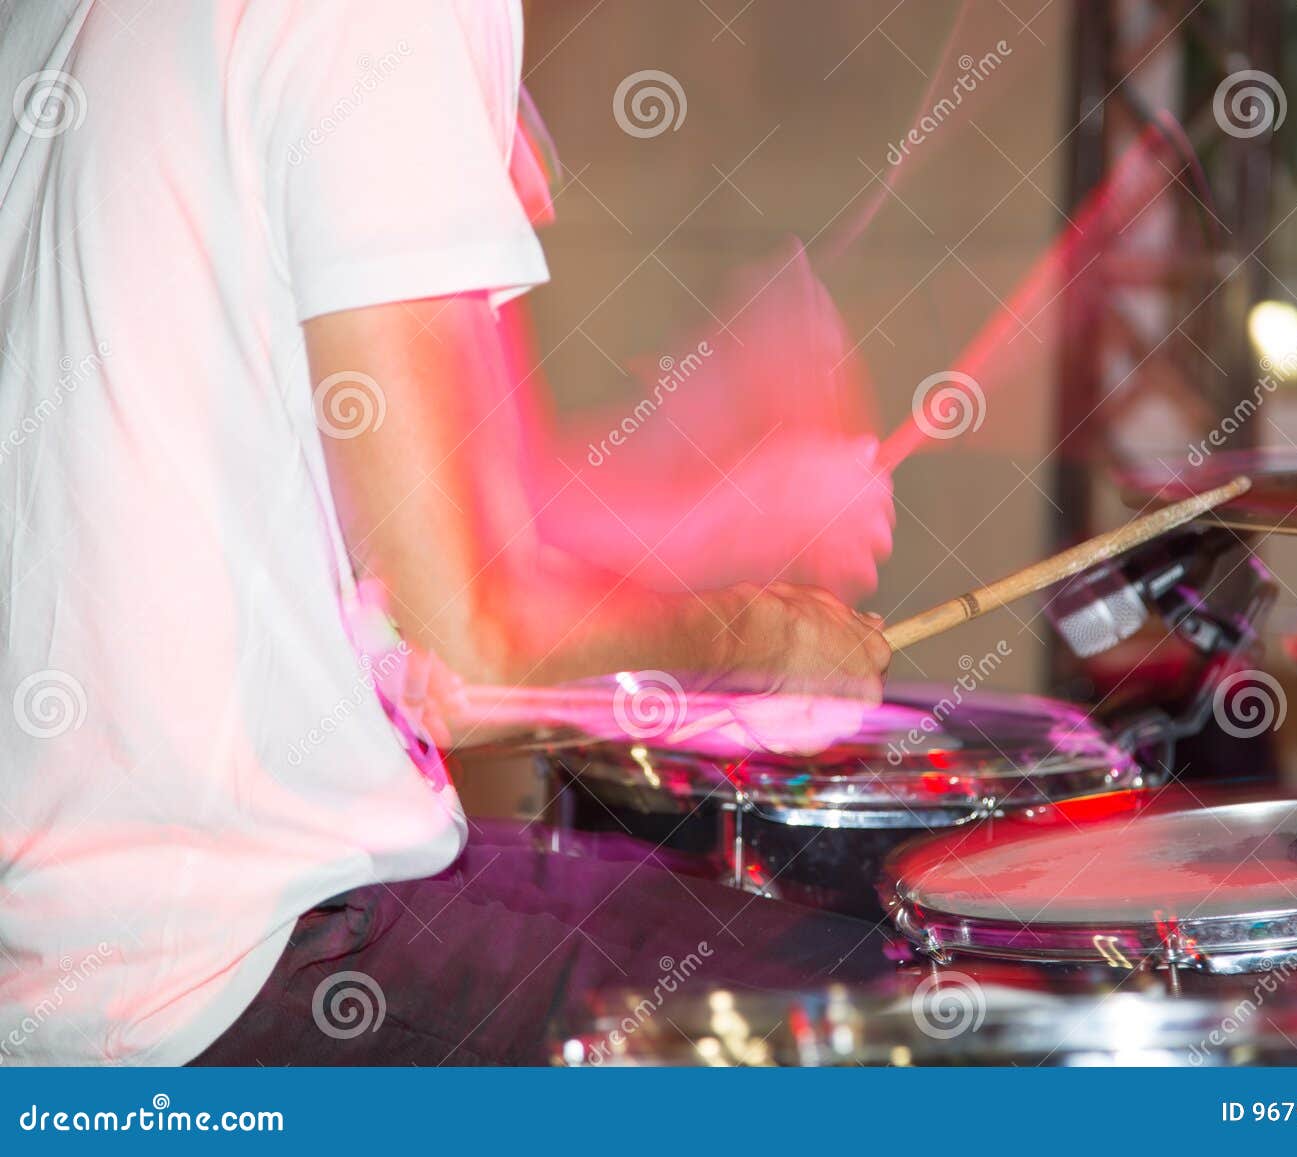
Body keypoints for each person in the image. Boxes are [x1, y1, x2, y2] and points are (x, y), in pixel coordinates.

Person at [0, 0, 893, 1065]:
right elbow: (463, 644)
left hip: (69, 950)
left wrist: (726, 501)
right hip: (221, 974)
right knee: (891, 1014)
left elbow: (392, 526)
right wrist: (760, 633)